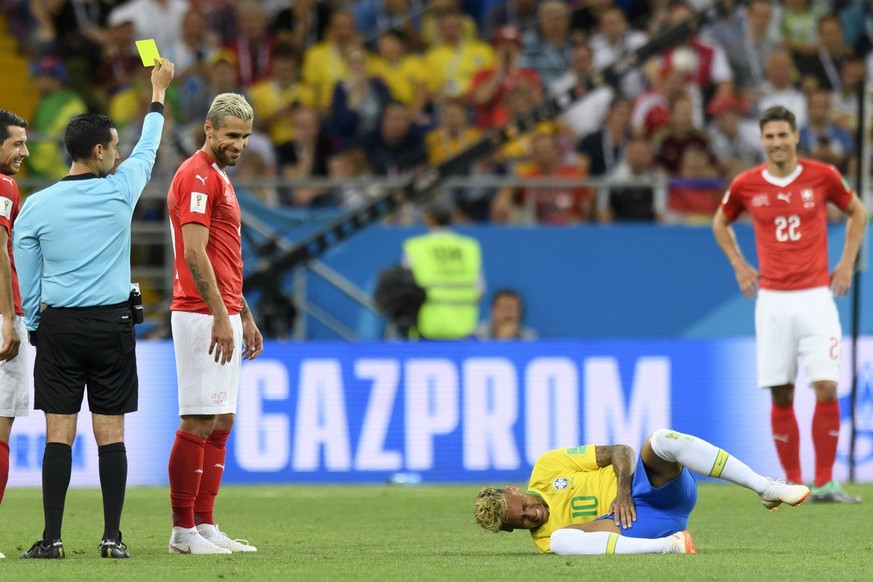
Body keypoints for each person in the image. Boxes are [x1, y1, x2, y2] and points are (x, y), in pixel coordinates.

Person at [13, 59, 175, 559]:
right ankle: (112, 538)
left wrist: (38, 323)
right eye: (115, 147)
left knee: (58, 433)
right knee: (112, 433)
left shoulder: (36, 206)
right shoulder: (119, 190)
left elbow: (28, 275)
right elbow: (149, 147)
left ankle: (53, 539)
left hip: (59, 327)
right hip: (112, 325)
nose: (121, 154)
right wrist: (156, 94)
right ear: (100, 151)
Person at [712, 105, 867, 504]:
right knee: (781, 392)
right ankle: (794, 482)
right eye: (770, 137)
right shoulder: (747, 184)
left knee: (827, 387)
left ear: (796, 137)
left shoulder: (823, 176)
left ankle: (827, 483)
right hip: (773, 301)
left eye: (784, 135)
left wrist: (847, 263)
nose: (777, 143)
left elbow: (858, 211)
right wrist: (740, 267)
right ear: (761, 141)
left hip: (817, 296)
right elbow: (720, 222)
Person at [166, 92, 265, 555]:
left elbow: (223, 258)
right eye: (231, 135)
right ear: (208, 129)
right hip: (199, 313)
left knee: (221, 418)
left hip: (221, 311)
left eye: (245, 137)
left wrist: (242, 313)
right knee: (198, 418)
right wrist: (223, 317)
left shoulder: (218, 175)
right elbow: (193, 252)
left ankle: (205, 524)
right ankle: (182, 531)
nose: (239, 144)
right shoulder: (198, 177)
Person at [473, 428, 811, 554]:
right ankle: (670, 547)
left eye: (525, 505)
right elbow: (593, 535)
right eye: (522, 522)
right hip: (641, 527)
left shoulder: (548, 467)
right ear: (510, 529)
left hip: (656, 489)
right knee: (562, 540)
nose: (533, 514)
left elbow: (621, 451)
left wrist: (622, 491)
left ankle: (766, 488)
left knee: (661, 440)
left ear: (515, 490)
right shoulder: (545, 541)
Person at [0, 110, 30, 561]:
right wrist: (7, 315)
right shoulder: (3, 186)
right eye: (16, 143)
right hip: (1, 313)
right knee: (1, 431)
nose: (24, 151)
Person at [402, 197, 483, 340]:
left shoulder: (416, 247)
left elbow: (404, 292)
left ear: (428, 217)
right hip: (463, 330)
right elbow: (479, 290)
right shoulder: (469, 247)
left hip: (425, 331)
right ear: (452, 216)